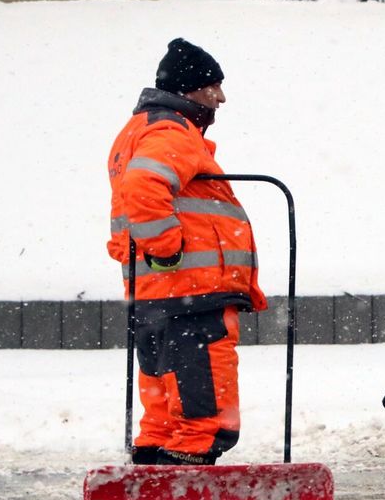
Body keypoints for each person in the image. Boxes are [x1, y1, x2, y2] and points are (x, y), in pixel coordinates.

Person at [106, 38, 266, 466]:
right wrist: (166, 248)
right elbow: (144, 186)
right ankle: (190, 498)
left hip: (157, 292)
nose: (221, 98)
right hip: (191, 292)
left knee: (164, 400)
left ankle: (152, 478)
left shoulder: (137, 131)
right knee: (202, 413)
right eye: (213, 86)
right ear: (188, 90)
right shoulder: (172, 131)